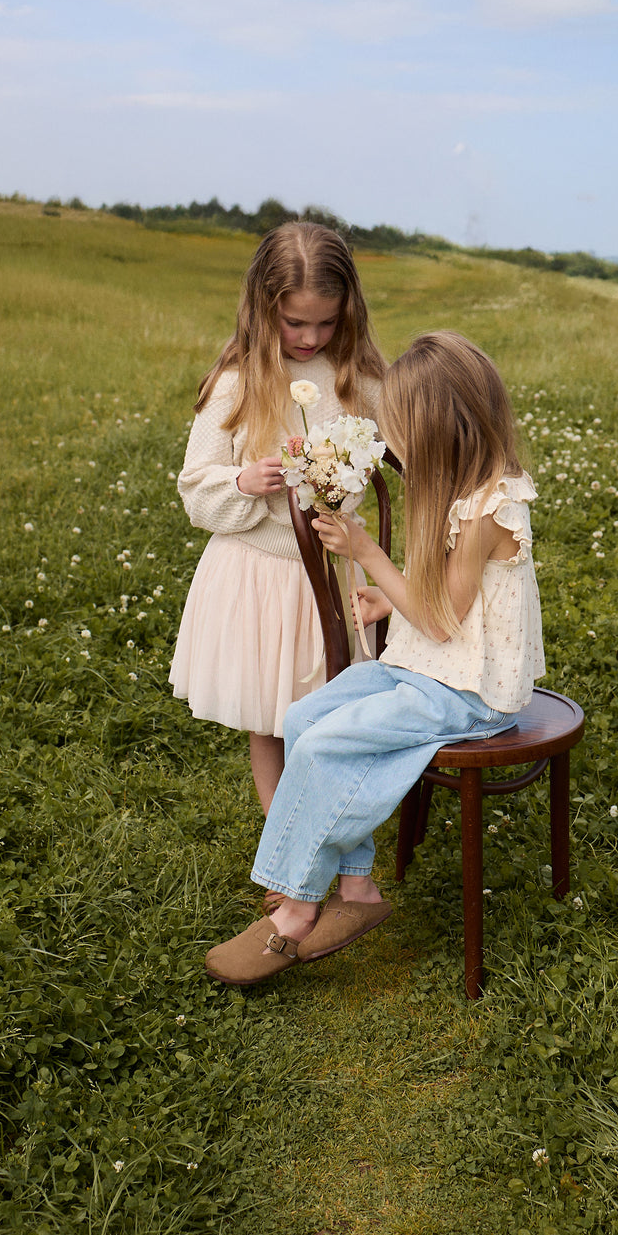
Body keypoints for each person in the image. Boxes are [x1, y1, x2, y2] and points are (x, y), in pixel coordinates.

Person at [205, 331, 544, 985]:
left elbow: (443, 622)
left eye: (402, 432)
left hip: (468, 690)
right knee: (306, 719)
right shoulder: (461, 487)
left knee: (328, 744)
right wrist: (391, 605)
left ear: (446, 429)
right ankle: (356, 890)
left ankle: (298, 910)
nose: (395, 447)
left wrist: (367, 554)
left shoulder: (490, 510)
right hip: (429, 664)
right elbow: (452, 598)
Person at [169, 221, 387, 813]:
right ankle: (281, 838)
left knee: (333, 714)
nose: (311, 337)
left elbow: (394, 453)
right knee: (269, 718)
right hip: (260, 574)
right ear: (265, 309)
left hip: (337, 570)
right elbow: (195, 489)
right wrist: (242, 482)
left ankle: (331, 831)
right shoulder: (238, 382)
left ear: (349, 311)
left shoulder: (360, 380)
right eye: (296, 323)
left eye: (326, 322)